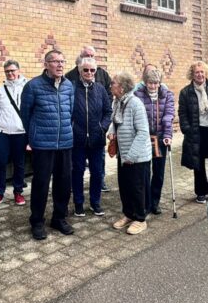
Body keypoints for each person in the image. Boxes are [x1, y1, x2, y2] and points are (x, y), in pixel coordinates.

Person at [20, 50, 75, 240]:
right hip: (43, 144)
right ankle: (37, 221)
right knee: (41, 184)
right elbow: (25, 115)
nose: (60, 65)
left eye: (62, 61)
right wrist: (33, 137)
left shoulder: (69, 86)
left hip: (65, 143)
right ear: (46, 64)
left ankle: (59, 219)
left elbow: (71, 112)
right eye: (55, 61)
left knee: (64, 183)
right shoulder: (33, 86)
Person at [178, 61, 208, 205]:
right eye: (196, 72)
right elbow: (182, 113)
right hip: (196, 131)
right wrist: (186, 128)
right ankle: (201, 192)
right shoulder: (185, 92)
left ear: (205, 73)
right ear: (192, 75)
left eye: (202, 72)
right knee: (198, 163)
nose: (200, 75)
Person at [108, 72, 151, 234]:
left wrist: (131, 156)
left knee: (137, 188)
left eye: (113, 83)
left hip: (137, 156)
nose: (110, 85)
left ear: (122, 87)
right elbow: (115, 121)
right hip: (123, 155)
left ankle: (140, 219)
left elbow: (143, 132)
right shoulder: (117, 102)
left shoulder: (135, 104)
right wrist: (112, 131)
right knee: (125, 187)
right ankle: (128, 214)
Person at [70, 57, 111, 217]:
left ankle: (95, 202)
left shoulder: (100, 89)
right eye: (85, 70)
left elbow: (108, 111)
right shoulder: (72, 88)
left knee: (97, 171)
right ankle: (78, 204)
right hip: (77, 139)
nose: (89, 73)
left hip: (96, 139)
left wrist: (103, 127)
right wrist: (72, 127)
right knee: (77, 171)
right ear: (80, 70)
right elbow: (66, 111)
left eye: (92, 70)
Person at [0, 59, 29, 210]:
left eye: (12, 70)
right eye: (7, 71)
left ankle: (18, 192)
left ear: (18, 70)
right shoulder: (1, 90)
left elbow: (33, 110)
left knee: (19, 163)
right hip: (3, 132)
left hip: (21, 132)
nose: (10, 73)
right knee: (0, 162)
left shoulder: (27, 87)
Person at [134, 65, 175, 215]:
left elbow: (168, 116)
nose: (153, 86)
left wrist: (167, 135)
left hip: (159, 138)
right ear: (145, 82)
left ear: (159, 83)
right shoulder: (138, 95)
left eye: (156, 83)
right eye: (150, 83)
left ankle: (155, 202)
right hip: (143, 138)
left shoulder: (167, 95)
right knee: (144, 171)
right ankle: (145, 203)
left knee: (158, 172)